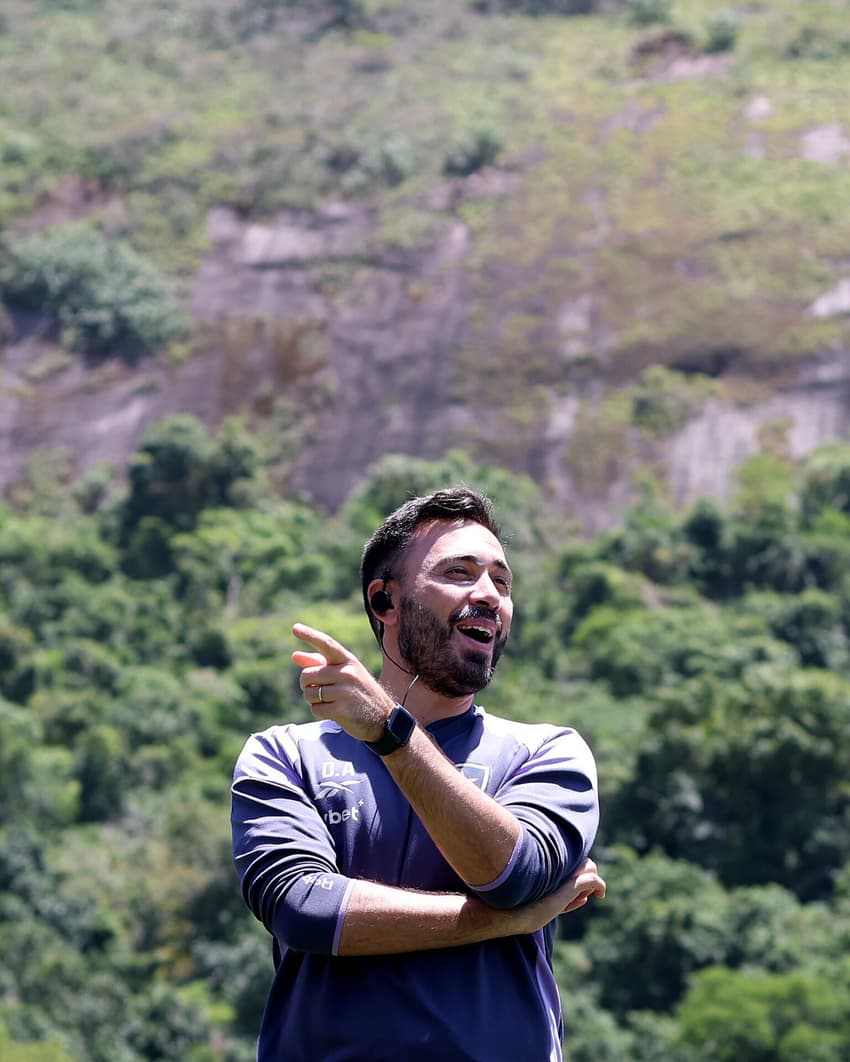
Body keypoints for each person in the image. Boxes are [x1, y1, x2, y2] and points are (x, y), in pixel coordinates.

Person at [231, 487, 605, 1061]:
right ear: (386, 601)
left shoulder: (548, 753)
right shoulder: (284, 756)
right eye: (459, 572)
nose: (488, 595)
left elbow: (510, 875)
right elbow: (306, 912)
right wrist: (507, 923)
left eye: (502, 583)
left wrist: (390, 732)